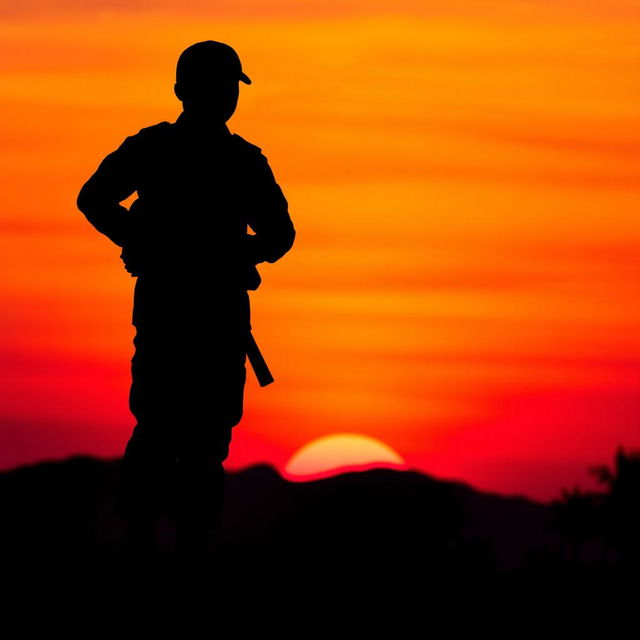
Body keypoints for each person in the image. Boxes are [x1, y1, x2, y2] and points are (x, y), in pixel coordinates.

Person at [76, 40, 296, 555]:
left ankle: (175, 542)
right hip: (182, 316)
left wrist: (232, 251)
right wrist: (142, 240)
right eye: (219, 86)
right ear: (185, 90)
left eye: (227, 87)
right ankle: (153, 541)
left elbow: (280, 235)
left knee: (192, 437)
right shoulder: (199, 154)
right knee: (165, 432)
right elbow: (93, 199)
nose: (225, 97)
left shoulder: (229, 159)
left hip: (202, 318)